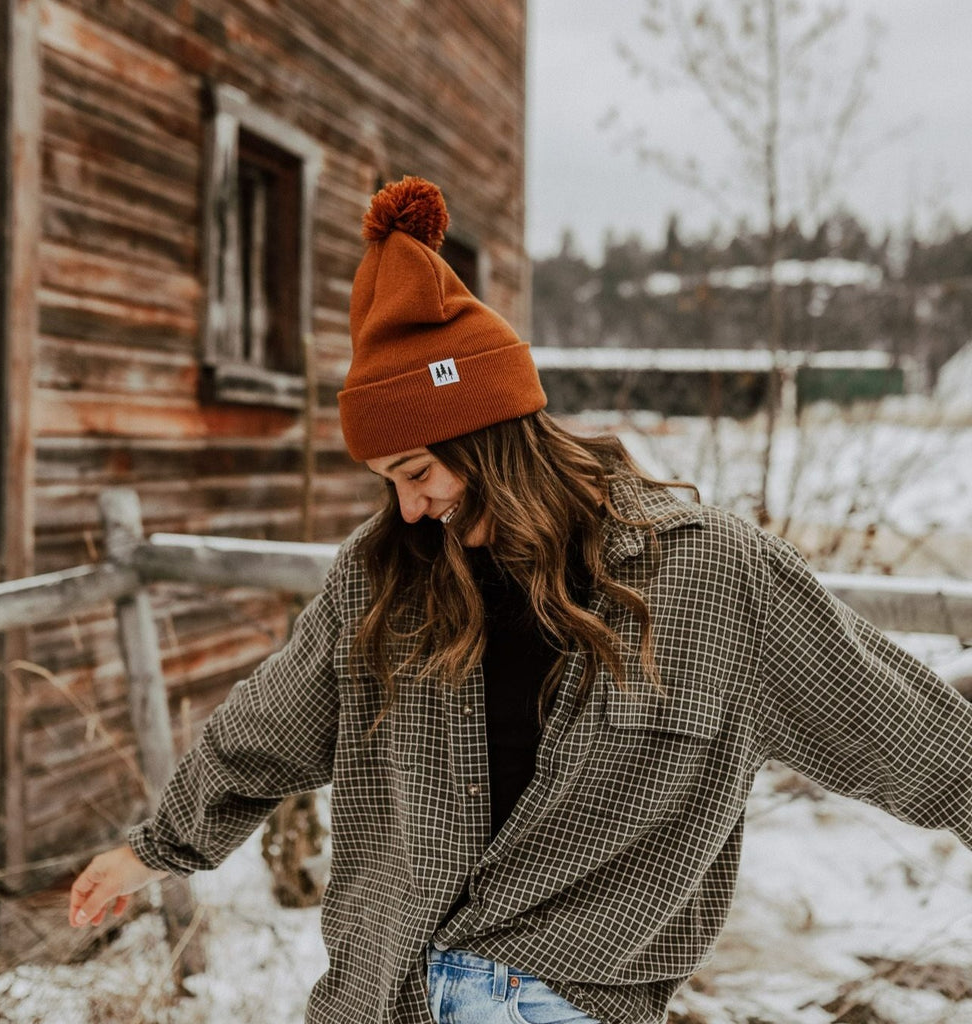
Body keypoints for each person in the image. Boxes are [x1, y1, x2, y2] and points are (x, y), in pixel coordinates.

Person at [70, 177, 972, 1024]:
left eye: (416, 471)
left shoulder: (710, 578)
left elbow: (898, 726)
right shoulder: (385, 577)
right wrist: (155, 848)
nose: (410, 505)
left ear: (490, 434)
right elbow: (269, 728)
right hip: (389, 996)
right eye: (390, 483)